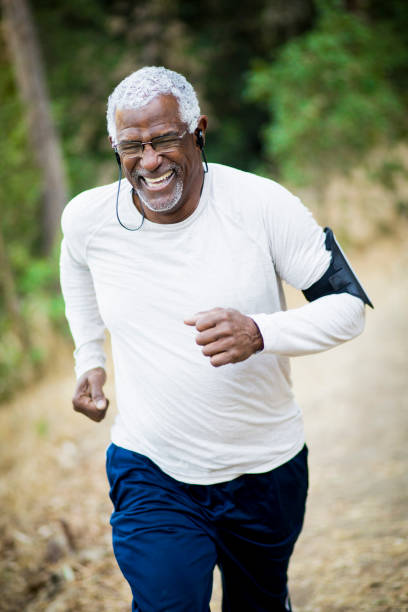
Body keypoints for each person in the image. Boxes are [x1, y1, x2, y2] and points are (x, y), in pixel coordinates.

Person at [60, 66, 371, 612]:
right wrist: (90, 356)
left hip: (265, 468)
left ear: (198, 131)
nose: (149, 161)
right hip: (151, 466)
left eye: (164, 140)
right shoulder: (89, 219)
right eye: (131, 146)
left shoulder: (261, 205)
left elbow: (348, 309)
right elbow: (76, 266)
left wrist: (260, 331)